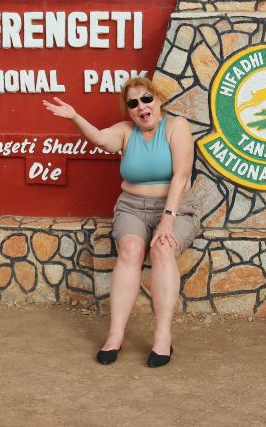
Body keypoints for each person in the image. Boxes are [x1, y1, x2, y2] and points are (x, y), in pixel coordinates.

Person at [43, 77, 197, 367]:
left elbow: (181, 175)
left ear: (159, 100)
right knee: (130, 250)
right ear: (129, 111)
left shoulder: (176, 127)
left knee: (163, 249)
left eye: (147, 99)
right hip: (132, 207)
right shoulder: (127, 132)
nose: (142, 106)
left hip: (175, 208)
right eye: (133, 103)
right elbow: (100, 139)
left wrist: (167, 219)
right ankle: (115, 336)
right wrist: (75, 116)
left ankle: (162, 338)